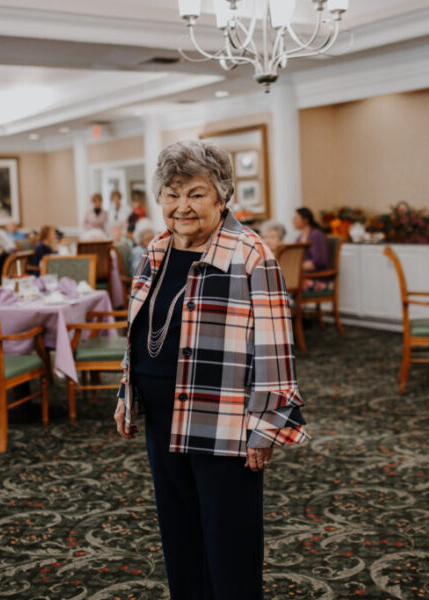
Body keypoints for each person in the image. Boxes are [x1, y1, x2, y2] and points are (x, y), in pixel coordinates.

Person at [114, 140, 309, 600]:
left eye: (196, 194)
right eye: (172, 193)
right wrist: (126, 392)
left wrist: (266, 424)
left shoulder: (250, 255)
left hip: (224, 420)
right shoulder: (156, 250)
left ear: (223, 196)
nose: (182, 206)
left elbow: (276, 346)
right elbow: (140, 330)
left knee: (230, 543)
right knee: (179, 535)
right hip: (162, 418)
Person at [293, 207, 331, 292]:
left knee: (285, 285)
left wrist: (297, 266)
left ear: (305, 220)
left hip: (318, 279)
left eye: (296, 218)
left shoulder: (316, 235)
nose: (293, 221)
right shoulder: (299, 238)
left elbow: (319, 261)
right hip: (303, 277)